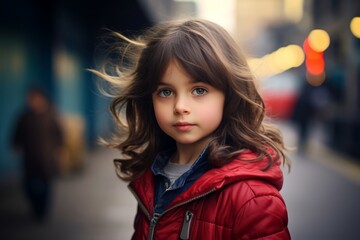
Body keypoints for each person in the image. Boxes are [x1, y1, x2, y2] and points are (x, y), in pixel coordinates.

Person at [93, 18, 291, 239]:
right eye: (166, 92)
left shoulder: (253, 199)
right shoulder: (152, 177)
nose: (180, 107)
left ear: (230, 95)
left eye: (198, 90)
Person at [12, 86, 64, 221]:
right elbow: (17, 133)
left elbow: (59, 134)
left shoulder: (51, 116)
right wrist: (16, 145)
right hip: (29, 158)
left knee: (46, 186)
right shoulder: (25, 117)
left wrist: (60, 149)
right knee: (28, 186)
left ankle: (42, 211)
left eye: (35, 98)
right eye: (30, 99)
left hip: (46, 158)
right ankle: (34, 207)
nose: (32, 102)